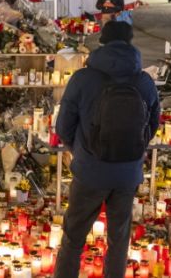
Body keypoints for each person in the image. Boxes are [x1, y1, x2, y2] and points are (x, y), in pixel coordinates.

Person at [54, 21, 160, 278]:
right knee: (118, 238)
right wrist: (131, 152)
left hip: (91, 171)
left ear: (102, 42)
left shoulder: (83, 78)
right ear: (130, 42)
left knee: (74, 236)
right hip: (127, 174)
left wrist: (80, 150)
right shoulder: (144, 81)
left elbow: (63, 126)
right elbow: (153, 124)